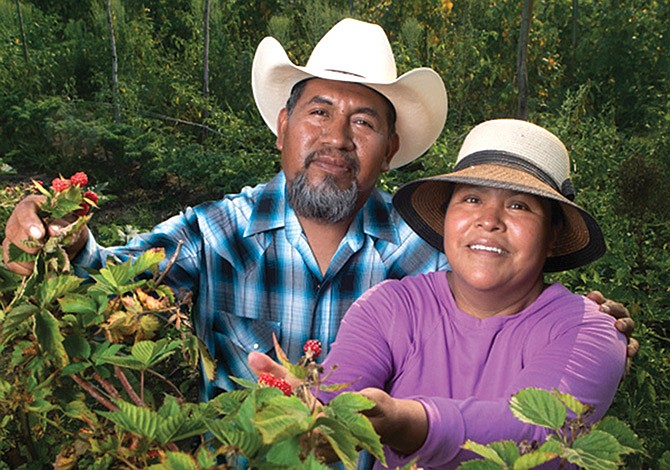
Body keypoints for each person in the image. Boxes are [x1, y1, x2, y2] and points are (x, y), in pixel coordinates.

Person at [2, 19, 634, 402]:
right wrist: (50, 232)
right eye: (318, 112)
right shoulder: (219, 233)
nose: (337, 138)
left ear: (390, 149)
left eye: (363, 121)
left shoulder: (432, 251)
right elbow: (107, 272)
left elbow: (512, 318)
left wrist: (586, 325)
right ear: (283, 128)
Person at [280, 119, 626, 469]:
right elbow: (335, 404)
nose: (489, 220)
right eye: (472, 199)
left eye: (519, 205)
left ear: (552, 235)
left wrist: (410, 421)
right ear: (446, 218)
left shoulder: (586, 328)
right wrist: (304, 413)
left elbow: (538, 434)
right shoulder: (387, 308)